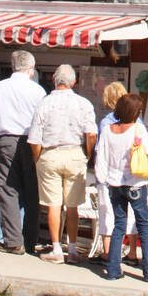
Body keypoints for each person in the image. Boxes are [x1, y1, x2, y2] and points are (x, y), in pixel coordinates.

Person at [29, 64, 97, 262]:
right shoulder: (83, 103)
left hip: (50, 153)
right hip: (75, 152)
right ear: (74, 82)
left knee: (53, 204)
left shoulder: (44, 103)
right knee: (73, 205)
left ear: (53, 79)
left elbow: (35, 139)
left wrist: (38, 157)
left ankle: (57, 249)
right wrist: (87, 153)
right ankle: (73, 249)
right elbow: (91, 134)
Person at [0, 50, 46, 255]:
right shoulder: (38, 91)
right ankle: (30, 240)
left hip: (5, 140)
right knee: (32, 191)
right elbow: (44, 122)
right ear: (30, 69)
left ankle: (12, 240)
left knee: (7, 189)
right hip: (31, 141)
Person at [93, 92, 148, 282]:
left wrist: (102, 178)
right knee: (143, 224)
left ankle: (113, 269)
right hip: (136, 182)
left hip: (114, 183)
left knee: (119, 225)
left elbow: (101, 157)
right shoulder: (138, 130)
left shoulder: (107, 130)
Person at [91, 81, 131, 263]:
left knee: (107, 212)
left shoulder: (107, 121)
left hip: (109, 175)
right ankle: (133, 253)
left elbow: (101, 150)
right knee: (129, 214)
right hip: (130, 175)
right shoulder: (134, 119)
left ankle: (108, 253)